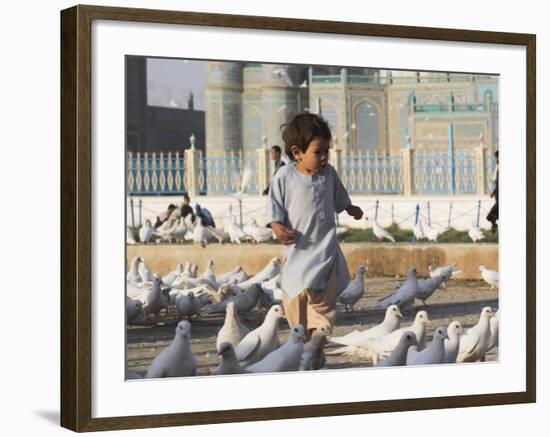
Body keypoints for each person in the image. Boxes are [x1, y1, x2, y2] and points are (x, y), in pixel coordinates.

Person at [266, 113, 364, 338]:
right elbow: (274, 205)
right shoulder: (284, 177)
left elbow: (339, 196)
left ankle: (317, 338)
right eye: (318, 152)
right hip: (298, 253)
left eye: (326, 151)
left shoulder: (329, 174)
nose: (324, 157)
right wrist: (276, 225)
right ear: (297, 153)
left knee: (324, 305)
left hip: (325, 252)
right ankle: (301, 339)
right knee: (295, 300)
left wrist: (350, 208)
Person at [486, 149, 499, 232]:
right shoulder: (498, 168)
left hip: (499, 195)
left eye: (497, 158)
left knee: (490, 216)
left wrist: (493, 192)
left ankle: (494, 225)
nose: (496, 160)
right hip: (497, 195)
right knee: (493, 215)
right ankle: (494, 225)